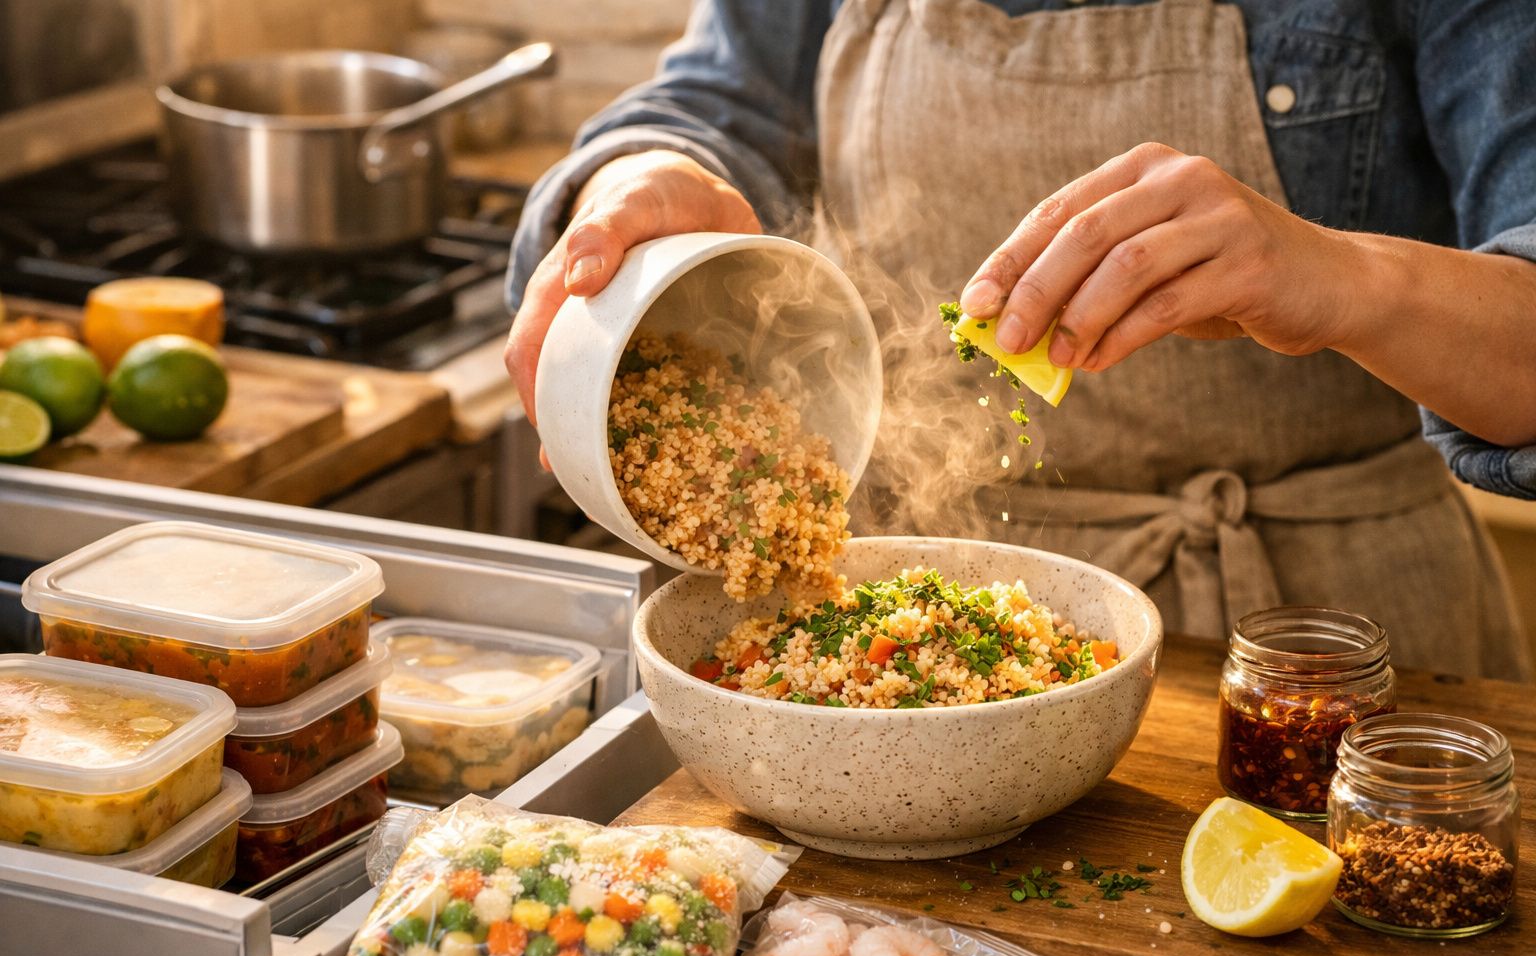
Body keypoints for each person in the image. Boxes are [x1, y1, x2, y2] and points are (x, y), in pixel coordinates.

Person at [504, 0, 1536, 680]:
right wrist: (635, 176)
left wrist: (1346, 276)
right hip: (893, 638)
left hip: (1332, 654)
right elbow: (716, 102)